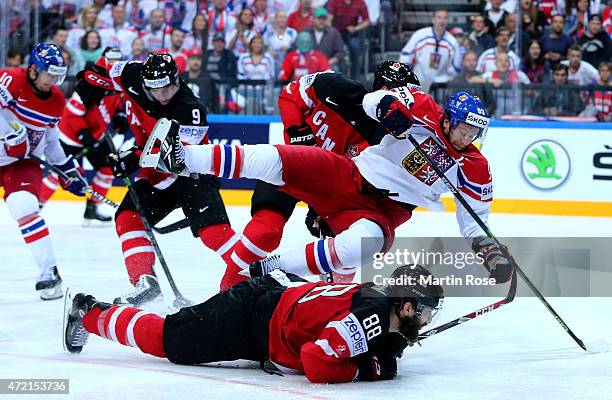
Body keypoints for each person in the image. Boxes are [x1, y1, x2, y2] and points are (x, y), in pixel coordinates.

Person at [151, 77, 514, 286]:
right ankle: (182, 156)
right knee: (278, 158)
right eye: (464, 128)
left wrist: (489, 251)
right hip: (350, 174)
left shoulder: (474, 168)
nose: (467, 137)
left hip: (382, 213)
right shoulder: (422, 109)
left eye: (475, 132)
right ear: (448, 119)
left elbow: (475, 221)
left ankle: (273, 267)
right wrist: (389, 110)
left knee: (363, 245)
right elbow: (375, 100)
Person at [64, 264, 444, 383]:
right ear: (407, 307)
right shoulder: (375, 315)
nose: (428, 320)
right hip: (252, 315)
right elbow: (315, 361)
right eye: (426, 311)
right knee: (169, 341)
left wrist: (383, 347)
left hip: (269, 314)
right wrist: (369, 368)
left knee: (173, 338)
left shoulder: (379, 307)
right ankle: (89, 311)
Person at [75, 53, 241, 306]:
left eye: (166, 87)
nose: (161, 94)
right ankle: (145, 281)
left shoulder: (191, 109)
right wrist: (91, 79)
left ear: (176, 79)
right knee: (127, 217)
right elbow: (106, 64)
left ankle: (253, 272)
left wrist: (132, 158)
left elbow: (173, 157)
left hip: (192, 170)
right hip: (155, 176)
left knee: (212, 231)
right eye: (155, 89)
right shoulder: (131, 73)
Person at [0, 43, 86, 300]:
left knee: (24, 207)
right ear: (34, 70)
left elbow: (49, 140)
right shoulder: (10, 80)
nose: (55, 81)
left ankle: (48, 271)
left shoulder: (57, 100)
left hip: (21, 163)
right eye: (51, 74)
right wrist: (8, 134)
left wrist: (66, 168)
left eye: (59, 75)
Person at [39, 48, 127, 225]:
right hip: (70, 135)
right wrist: (84, 135)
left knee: (108, 168)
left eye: (118, 59)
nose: (114, 63)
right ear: (104, 59)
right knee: (62, 172)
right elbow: (72, 113)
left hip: (96, 136)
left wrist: (120, 116)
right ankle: (36, 206)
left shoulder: (118, 81)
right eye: (111, 59)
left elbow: (118, 103)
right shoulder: (92, 79)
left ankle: (92, 209)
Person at [399, 9, 461, 92]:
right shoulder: (420, 35)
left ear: (447, 20)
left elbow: (455, 66)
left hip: (441, 85)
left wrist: (448, 78)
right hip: (418, 82)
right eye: (439, 17)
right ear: (433, 19)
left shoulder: (452, 41)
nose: (442, 21)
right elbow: (405, 56)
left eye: (445, 18)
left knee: (438, 105)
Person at [327, 0, 371, 79]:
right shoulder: (334, 1)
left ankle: (355, 78)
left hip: (351, 33)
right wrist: (332, 32)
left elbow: (367, 21)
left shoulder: (360, 2)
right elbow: (329, 18)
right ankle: (340, 78)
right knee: (336, 49)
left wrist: (356, 28)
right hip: (336, 33)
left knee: (355, 46)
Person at [303, 8, 347, 72]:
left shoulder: (334, 33)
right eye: (319, 18)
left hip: (328, 64)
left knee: (335, 70)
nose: (321, 21)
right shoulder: (305, 32)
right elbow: (298, 49)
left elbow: (340, 52)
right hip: (308, 64)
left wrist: (329, 62)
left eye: (324, 19)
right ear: (313, 19)